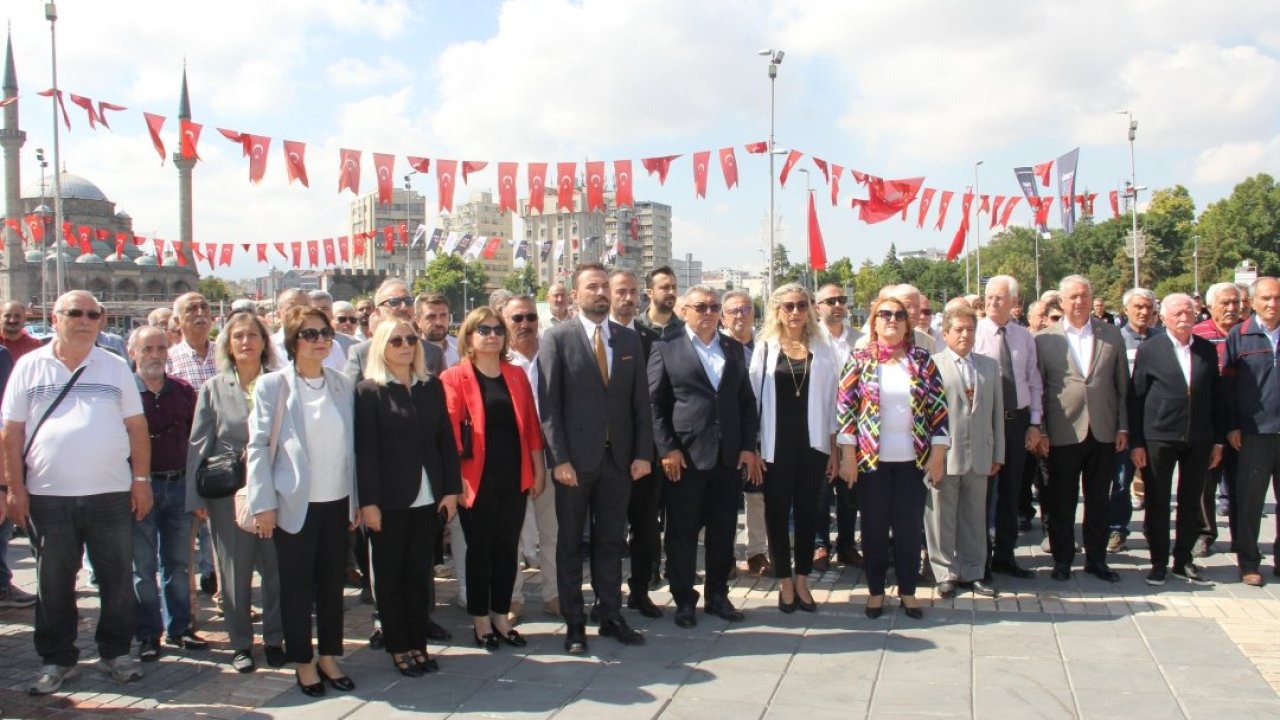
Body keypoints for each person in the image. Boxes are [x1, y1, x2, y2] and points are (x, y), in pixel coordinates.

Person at [3, 290, 151, 694]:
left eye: (93, 313)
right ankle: (57, 659)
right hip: (49, 496)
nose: (85, 320)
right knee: (52, 583)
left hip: (110, 494)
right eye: (75, 313)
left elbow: (137, 427)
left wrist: (141, 481)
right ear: (55, 318)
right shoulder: (29, 367)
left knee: (117, 578)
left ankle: (116, 652)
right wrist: (14, 489)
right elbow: (11, 433)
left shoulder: (115, 366)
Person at [539, 263, 653, 654]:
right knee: (570, 544)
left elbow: (641, 402)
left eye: (605, 286)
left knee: (610, 542)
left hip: (619, 461)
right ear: (575, 295)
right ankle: (574, 622)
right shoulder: (557, 338)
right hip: (574, 463)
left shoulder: (627, 339)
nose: (601, 293)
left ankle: (610, 614)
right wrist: (559, 460)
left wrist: (641, 454)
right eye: (593, 287)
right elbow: (550, 406)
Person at [247, 307, 358, 697]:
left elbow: (353, 450)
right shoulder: (273, 386)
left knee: (332, 586)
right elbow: (259, 447)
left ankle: (329, 655)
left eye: (326, 333)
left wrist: (356, 501)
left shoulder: (342, 384)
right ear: (294, 341)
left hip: (336, 499)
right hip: (294, 504)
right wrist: (263, 503)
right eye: (311, 334)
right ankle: (303, 660)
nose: (322, 340)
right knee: (295, 587)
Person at [355, 318, 461, 675]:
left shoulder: (430, 387)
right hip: (388, 502)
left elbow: (445, 440)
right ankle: (398, 646)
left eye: (410, 339)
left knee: (418, 577)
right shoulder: (369, 391)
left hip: (428, 499)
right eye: (396, 340)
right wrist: (368, 503)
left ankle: (418, 644)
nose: (405, 345)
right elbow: (365, 452)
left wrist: (451, 489)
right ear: (381, 347)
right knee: (389, 578)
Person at [651, 286, 758, 627]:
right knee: (682, 532)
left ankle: (717, 595)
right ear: (685, 311)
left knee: (723, 531)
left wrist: (746, 446)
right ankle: (684, 598)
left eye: (714, 307)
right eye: (701, 306)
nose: (709, 312)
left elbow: (745, 401)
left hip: (727, 457)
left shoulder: (732, 348)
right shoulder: (665, 348)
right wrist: (666, 448)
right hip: (686, 457)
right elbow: (654, 404)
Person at [837, 295, 949, 619]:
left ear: (907, 323)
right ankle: (874, 591)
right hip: (872, 462)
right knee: (873, 527)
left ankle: (908, 592)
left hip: (913, 461)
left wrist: (939, 454)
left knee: (909, 528)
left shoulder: (923, 360)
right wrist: (847, 455)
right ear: (873, 322)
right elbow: (845, 410)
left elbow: (939, 412)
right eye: (884, 314)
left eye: (899, 315)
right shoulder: (859, 359)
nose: (892, 320)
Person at [186, 310, 286, 673]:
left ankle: (275, 638)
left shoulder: (279, 382)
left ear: (264, 342)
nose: (246, 342)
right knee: (234, 572)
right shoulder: (214, 387)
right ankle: (241, 643)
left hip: (274, 491)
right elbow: (199, 445)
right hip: (228, 492)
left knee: (276, 570)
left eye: (253, 336)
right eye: (238, 336)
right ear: (228, 344)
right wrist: (196, 499)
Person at [440, 308, 545, 650]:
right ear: (469, 336)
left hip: (513, 477)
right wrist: (453, 486)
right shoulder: (454, 377)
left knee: (506, 550)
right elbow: (450, 437)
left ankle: (501, 615)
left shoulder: (515, 375)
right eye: (483, 329)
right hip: (476, 480)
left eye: (498, 329)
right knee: (479, 551)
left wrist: (538, 469)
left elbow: (530, 428)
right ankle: (480, 620)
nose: (492, 335)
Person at [750, 283, 838, 613]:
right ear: (777, 310)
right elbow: (753, 398)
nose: (795, 312)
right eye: (788, 306)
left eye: (801, 305)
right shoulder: (766, 347)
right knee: (776, 511)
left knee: (808, 512)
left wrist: (834, 444)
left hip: (813, 442)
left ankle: (802, 578)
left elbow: (833, 399)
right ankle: (784, 579)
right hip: (775, 443)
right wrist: (754, 446)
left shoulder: (824, 347)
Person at [1035, 275, 1129, 583]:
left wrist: (1123, 427)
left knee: (1099, 500)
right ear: (1060, 302)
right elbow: (1040, 389)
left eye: (1084, 296)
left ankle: (1096, 559)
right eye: (1073, 297)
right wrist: (1043, 430)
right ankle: (1062, 560)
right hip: (1063, 431)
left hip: (1103, 430)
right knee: (1061, 500)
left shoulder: (1111, 335)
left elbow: (1121, 387)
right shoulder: (1045, 339)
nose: (1079, 302)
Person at [1128, 293, 1223, 586]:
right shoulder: (1151, 349)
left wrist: (1218, 440)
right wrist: (1137, 442)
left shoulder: (1206, 349)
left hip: (1199, 437)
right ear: (1164, 317)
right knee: (1157, 500)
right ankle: (1158, 562)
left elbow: (1216, 397)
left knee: (1190, 500)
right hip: (1159, 436)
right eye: (1178, 313)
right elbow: (1137, 398)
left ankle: (1183, 560)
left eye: (1189, 312)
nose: (1184, 318)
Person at [128, 326, 207, 662]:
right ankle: (148, 634)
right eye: (148, 349)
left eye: (162, 348)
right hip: (141, 488)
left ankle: (180, 628)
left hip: (179, 485)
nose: (156, 356)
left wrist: (197, 489)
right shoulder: (125, 392)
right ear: (134, 352)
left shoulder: (183, 390)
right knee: (143, 567)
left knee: (177, 563)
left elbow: (197, 440)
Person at [926, 305, 1003, 598]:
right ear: (945, 333)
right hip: (944, 455)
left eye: (969, 329)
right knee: (941, 517)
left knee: (975, 516)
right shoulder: (932, 364)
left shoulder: (988, 365)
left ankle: (974, 571)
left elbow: (997, 412)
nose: (964, 335)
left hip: (980, 454)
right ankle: (945, 572)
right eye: (958, 329)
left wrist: (999, 453)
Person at [974, 275, 1040, 580]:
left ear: (1014, 302)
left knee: (1013, 491)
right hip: (986, 423)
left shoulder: (1024, 337)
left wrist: (1035, 423)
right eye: (988, 297)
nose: (992, 302)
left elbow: (1033, 380)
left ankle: (1005, 555)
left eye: (999, 297)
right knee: (984, 493)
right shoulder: (973, 334)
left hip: (1017, 421)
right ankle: (980, 559)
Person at [608, 269, 664, 618]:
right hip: (607, 451)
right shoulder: (593, 337)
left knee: (646, 527)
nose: (628, 299)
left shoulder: (650, 337)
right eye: (621, 292)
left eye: (632, 293)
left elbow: (655, 398)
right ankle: (607, 595)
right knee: (609, 531)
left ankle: (640, 591)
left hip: (646, 448)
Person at [502, 294, 560, 618]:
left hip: (551, 458)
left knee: (552, 532)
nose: (525, 324)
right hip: (511, 461)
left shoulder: (554, 354)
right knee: (511, 534)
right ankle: (513, 598)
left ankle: (554, 594)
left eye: (530, 318)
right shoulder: (497, 360)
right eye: (517, 318)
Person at [1223, 277, 1280, 587]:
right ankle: (1249, 562)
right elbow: (1227, 385)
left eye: (1278, 298)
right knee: (1250, 502)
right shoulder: (1240, 335)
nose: (1273, 304)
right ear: (1254, 302)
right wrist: (1232, 424)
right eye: (1267, 298)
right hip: (1253, 432)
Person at [166, 292, 219, 595]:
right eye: (191, 309)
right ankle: (184, 608)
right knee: (183, 538)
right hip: (183, 460)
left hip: (221, 459)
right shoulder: (170, 359)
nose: (200, 313)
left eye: (205, 306)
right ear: (177, 321)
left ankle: (220, 585)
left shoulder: (226, 356)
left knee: (220, 533)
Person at [814, 283, 864, 571]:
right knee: (820, 490)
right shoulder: (810, 339)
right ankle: (821, 545)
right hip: (819, 424)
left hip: (854, 428)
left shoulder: (861, 340)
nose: (837, 305)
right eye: (830, 300)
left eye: (841, 300)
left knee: (850, 490)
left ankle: (847, 545)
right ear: (817, 306)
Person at [1109, 288, 1162, 553]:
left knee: (1156, 481)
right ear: (1126, 309)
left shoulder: (1163, 339)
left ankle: (1155, 531)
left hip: (1156, 424)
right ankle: (1117, 530)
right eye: (1138, 306)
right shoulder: (1115, 339)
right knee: (1120, 481)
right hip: (1125, 423)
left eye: (1149, 307)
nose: (1144, 312)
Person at [1192, 281, 1243, 557]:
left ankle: (1242, 537)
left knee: (1241, 483)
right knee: (1204, 483)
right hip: (1208, 419)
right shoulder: (1198, 335)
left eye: (1236, 302)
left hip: (1243, 420)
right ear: (1211, 307)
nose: (1232, 308)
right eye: (1225, 303)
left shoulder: (1249, 333)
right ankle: (1205, 533)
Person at [721, 290, 769, 575]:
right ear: (724, 316)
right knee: (725, 500)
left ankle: (756, 552)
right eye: (734, 311)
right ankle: (725, 553)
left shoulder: (766, 347)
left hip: (761, 434)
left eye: (746, 309)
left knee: (756, 495)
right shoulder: (716, 347)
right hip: (726, 437)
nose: (741, 315)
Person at [269, 288, 346, 372]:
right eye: (292, 308)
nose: (299, 313)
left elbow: (342, 380)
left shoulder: (331, 345)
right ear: (279, 314)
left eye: (305, 307)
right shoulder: (268, 346)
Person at [637, 266, 685, 340]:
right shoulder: (636, 327)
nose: (671, 292)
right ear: (650, 293)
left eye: (674, 287)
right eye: (665, 288)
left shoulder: (685, 329)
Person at [416, 292, 460, 367]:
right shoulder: (411, 353)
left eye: (443, 315)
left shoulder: (462, 349)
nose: (438, 322)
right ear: (418, 321)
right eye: (431, 316)